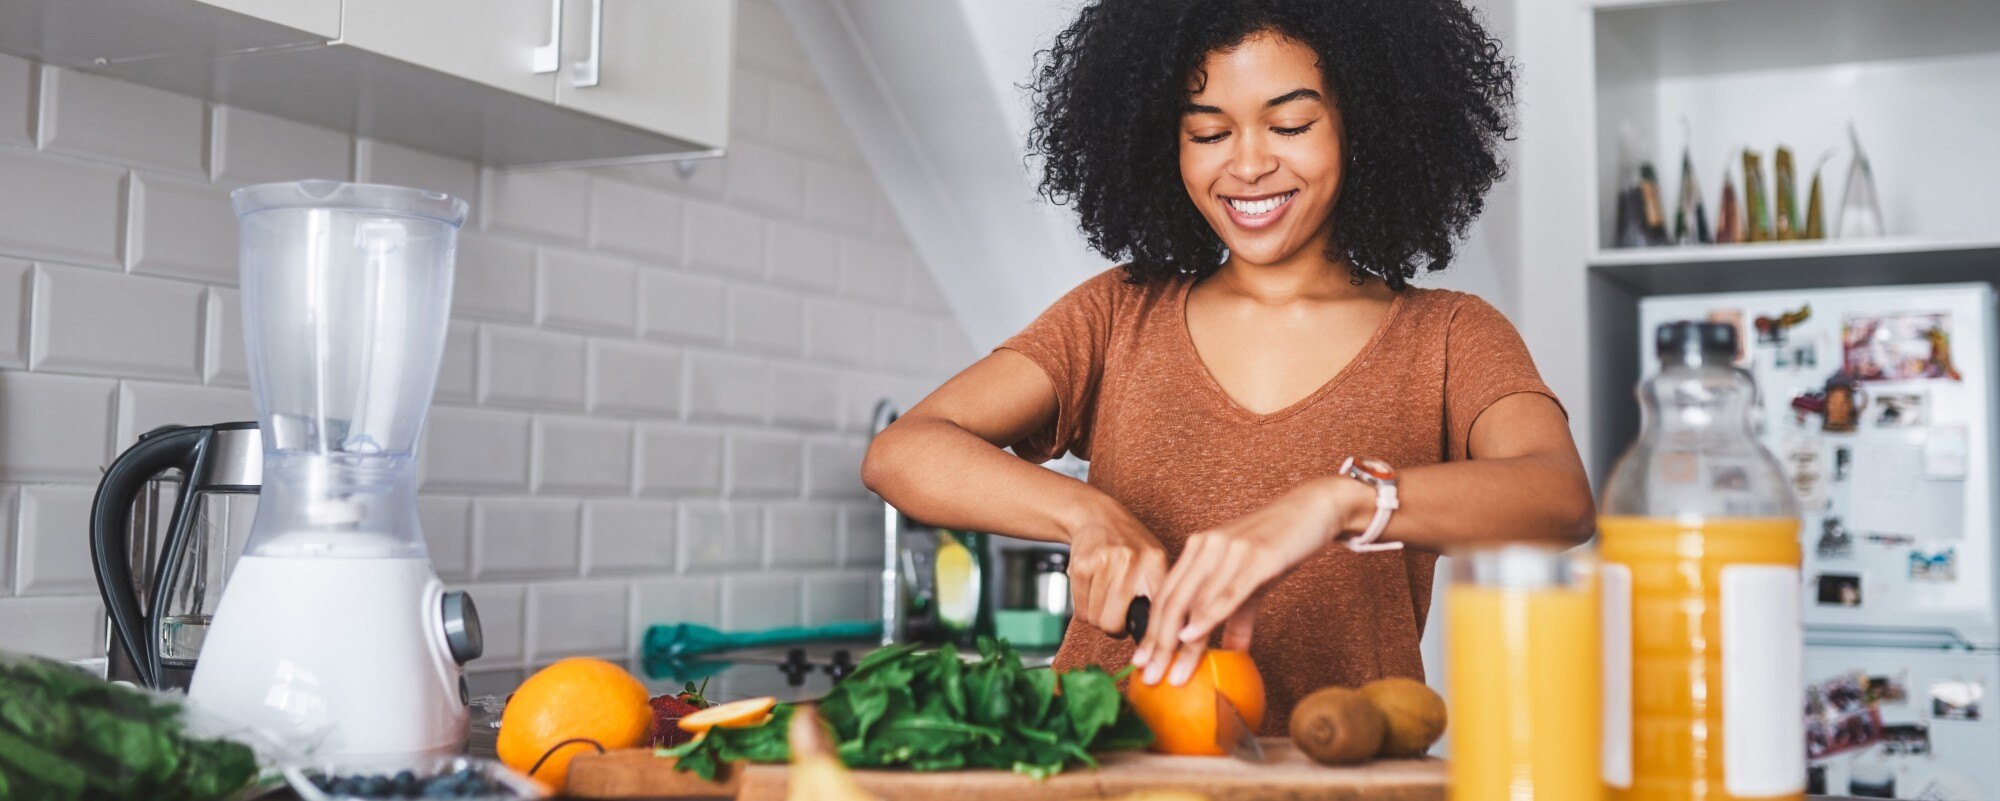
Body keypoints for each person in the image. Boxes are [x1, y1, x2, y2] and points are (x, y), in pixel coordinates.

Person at [861, 0, 1594, 733]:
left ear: (1363, 123)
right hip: (1111, 771)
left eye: (1291, 125)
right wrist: (1087, 515)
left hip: (1335, 778)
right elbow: (904, 452)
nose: (1247, 164)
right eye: (1209, 131)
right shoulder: (1118, 315)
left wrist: (1340, 502)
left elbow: (1559, 498)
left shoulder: (1448, 335)